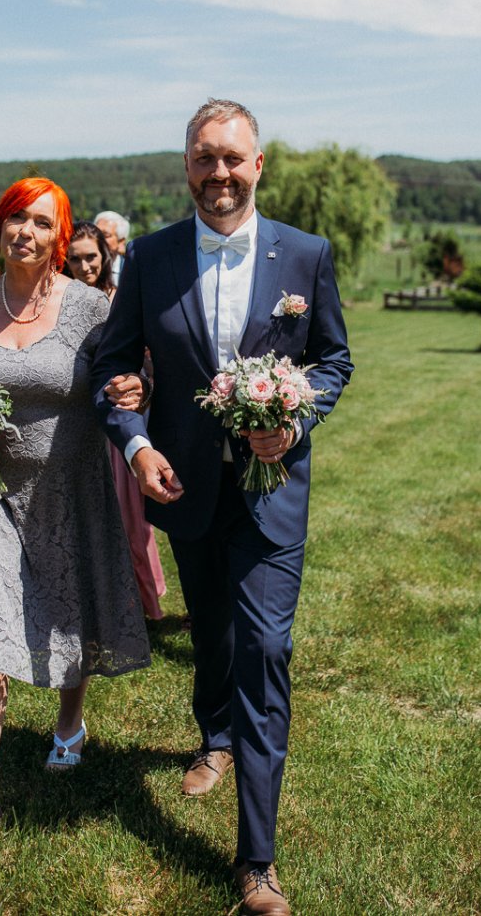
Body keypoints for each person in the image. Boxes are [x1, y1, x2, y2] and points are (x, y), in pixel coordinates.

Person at [92, 99, 354, 916]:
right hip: (185, 490)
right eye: (204, 159)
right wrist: (136, 443)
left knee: (264, 650)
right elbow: (111, 364)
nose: (219, 174)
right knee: (212, 630)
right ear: (187, 167)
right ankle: (213, 734)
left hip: (274, 502)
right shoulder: (151, 256)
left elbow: (334, 360)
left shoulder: (305, 256)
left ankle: (258, 863)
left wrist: (295, 411)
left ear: (259, 164)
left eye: (233, 159)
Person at [0, 178, 151, 868]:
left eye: (38, 220)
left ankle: (67, 720)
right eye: (12, 218)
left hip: (73, 485)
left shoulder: (90, 305)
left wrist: (131, 391)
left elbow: (128, 377)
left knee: (68, 609)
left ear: (58, 234)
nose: (23, 231)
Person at [66, 221, 167, 620]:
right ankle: (104, 602)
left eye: (90, 256)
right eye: (74, 258)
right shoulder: (64, 300)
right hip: (76, 421)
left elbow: (147, 354)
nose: (84, 265)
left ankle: (148, 605)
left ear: (104, 256)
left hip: (119, 420)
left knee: (133, 519)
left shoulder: (121, 298)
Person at [94, 211, 129, 286]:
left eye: (106, 235)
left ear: (121, 241)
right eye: (95, 233)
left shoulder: (129, 270)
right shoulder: (85, 268)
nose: (98, 239)